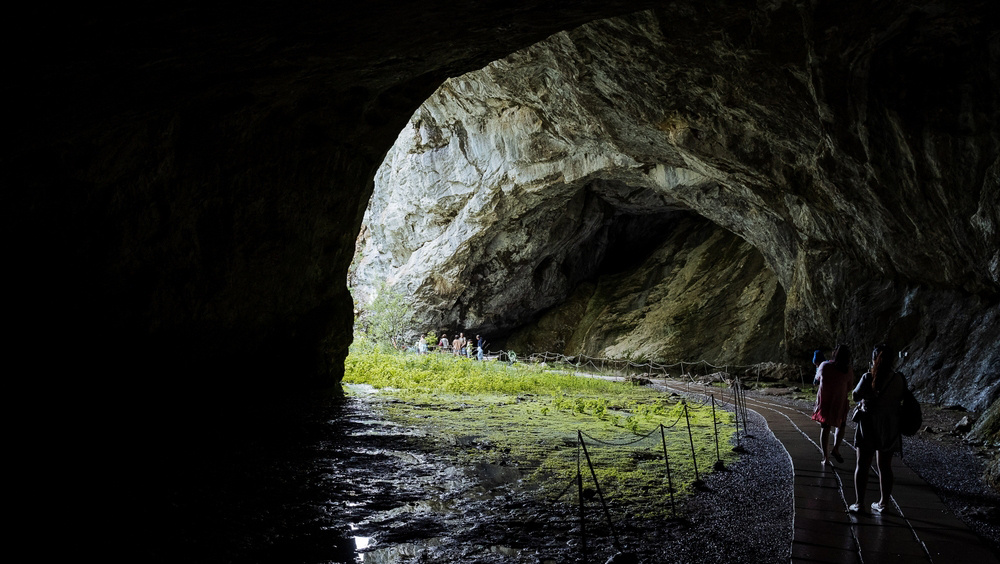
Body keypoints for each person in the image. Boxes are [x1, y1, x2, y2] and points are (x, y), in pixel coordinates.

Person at [849, 343, 906, 515]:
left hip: (868, 425)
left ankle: (859, 503)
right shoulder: (899, 378)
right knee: (885, 466)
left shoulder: (868, 377)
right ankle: (884, 504)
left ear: (874, 359)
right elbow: (903, 397)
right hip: (889, 427)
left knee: (863, 465)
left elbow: (855, 396)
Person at [810, 345, 853, 465]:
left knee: (825, 428)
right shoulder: (848, 370)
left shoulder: (825, 365)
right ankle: (836, 448)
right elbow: (850, 387)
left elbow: (817, 379)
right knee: (841, 425)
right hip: (840, 401)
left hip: (825, 402)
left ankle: (826, 458)